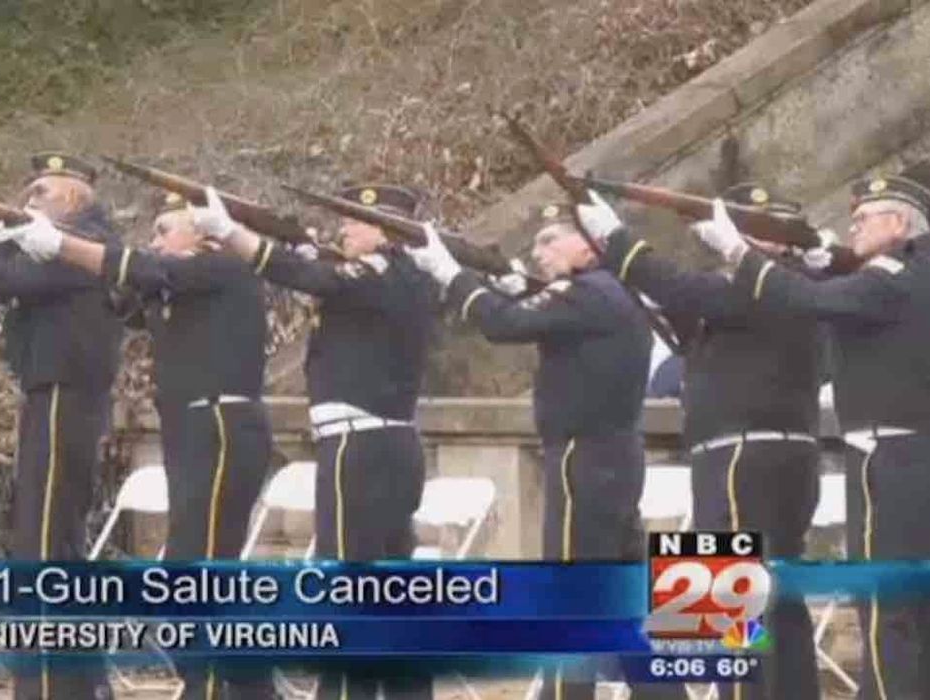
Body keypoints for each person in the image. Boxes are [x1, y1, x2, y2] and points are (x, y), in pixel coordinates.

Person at [690, 164, 930, 700]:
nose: (851, 226)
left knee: (882, 609)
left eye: (863, 217)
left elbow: (661, 283)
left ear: (900, 225)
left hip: (754, 455)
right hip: (773, 453)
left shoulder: (886, 278)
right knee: (922, 611)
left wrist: (617, 239)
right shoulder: (928, 270)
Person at [0, 188, 276, 699]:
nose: (154, 241)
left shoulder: (222, 268)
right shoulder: (176, 283)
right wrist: (20, 247)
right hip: (191, 429)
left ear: (205, 236)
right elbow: (118, 291)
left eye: (164, 230)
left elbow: (138, 268)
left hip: (221, 425)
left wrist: (60, 244)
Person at [405, 202, 685, 700]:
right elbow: (540, 318)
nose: (538, 253)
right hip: (614, 457)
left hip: (583, 456)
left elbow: (503, 326)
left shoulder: (587, 293)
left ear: (588, 242)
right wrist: (517, 289)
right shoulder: (606, 293)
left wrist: (451, 274)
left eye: (550, 240)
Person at [192, 184, 439, 699]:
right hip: (391, 444)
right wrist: (301, 251)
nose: (343, 230)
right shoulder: (406, 278)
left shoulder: (376, 273)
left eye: (355, 221)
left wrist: (230, 233)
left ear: (388, 230)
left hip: (358, 446)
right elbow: (323, 278)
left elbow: (305, 276)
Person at [582, 183, 824, 700]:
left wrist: (618, 241)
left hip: (739, 453)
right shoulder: (793, 286)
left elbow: (684, 289)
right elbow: (689, 315)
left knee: (729, 594)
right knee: (779, 600)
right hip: (773, 453)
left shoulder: (762, 285)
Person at [0, 153, 123, 699]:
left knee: (43, 544)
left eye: (40, 191)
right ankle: (81, 683)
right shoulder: (60, 244)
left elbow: (2, 276)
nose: (28, 199)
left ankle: (47, 685)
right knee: (54, 544)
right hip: (51, 393)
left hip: (66, 393)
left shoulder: (79, 246)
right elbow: (8, 265)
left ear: (74, 196)